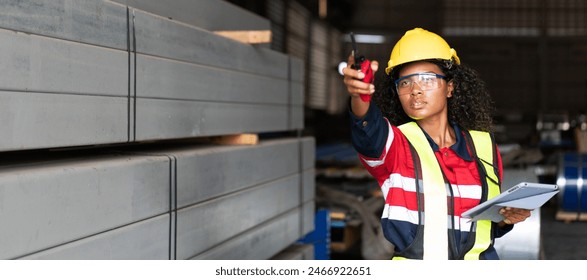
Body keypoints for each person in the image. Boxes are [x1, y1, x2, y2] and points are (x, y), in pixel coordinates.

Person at [341, 27, 531, 260]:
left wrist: (505, 219)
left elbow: (484, 222)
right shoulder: (395, 145)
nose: (416, 90)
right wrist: (360, 94)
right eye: (405, 83)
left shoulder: (483, 146)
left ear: (449, 87)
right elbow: (366, 126)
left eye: (427, 79)